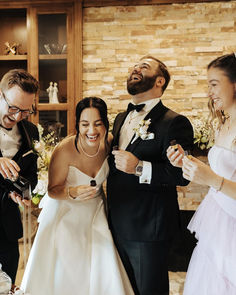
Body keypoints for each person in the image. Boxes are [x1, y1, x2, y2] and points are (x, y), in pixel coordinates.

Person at [21, 97, 134, 295]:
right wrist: (73, 192)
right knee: (68, 272)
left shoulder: (108, 143)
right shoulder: (64, 150)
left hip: (96, 214)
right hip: (65, 215)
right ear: (77, 125)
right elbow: (53, 190)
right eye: (85, 124)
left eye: (98, 123)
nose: (92, 131)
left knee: (102, 270)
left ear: (105, 124)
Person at [107, 55, 194, 295]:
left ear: (159, 81)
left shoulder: (175, 123)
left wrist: (139, 167)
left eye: (143, 66)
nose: (134, 68)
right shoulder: (120, 119)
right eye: (133, 65)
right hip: (117, 224)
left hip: (149, 229)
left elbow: (182, 176)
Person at [167, 52, 236, 295]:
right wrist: (186, 162)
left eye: (215, 84)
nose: (210, 92)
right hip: (217, 222)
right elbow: (223, 168)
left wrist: (211, 179)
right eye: (209, 85)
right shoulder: (224, 123)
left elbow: (217, 178)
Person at [0, 69, 39, 284]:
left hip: (7, 228)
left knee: (8, 285)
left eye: (25, 111)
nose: (16, 117)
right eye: (12, 107)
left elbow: (30, 175)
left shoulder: (31, 132)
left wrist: (22, 194)